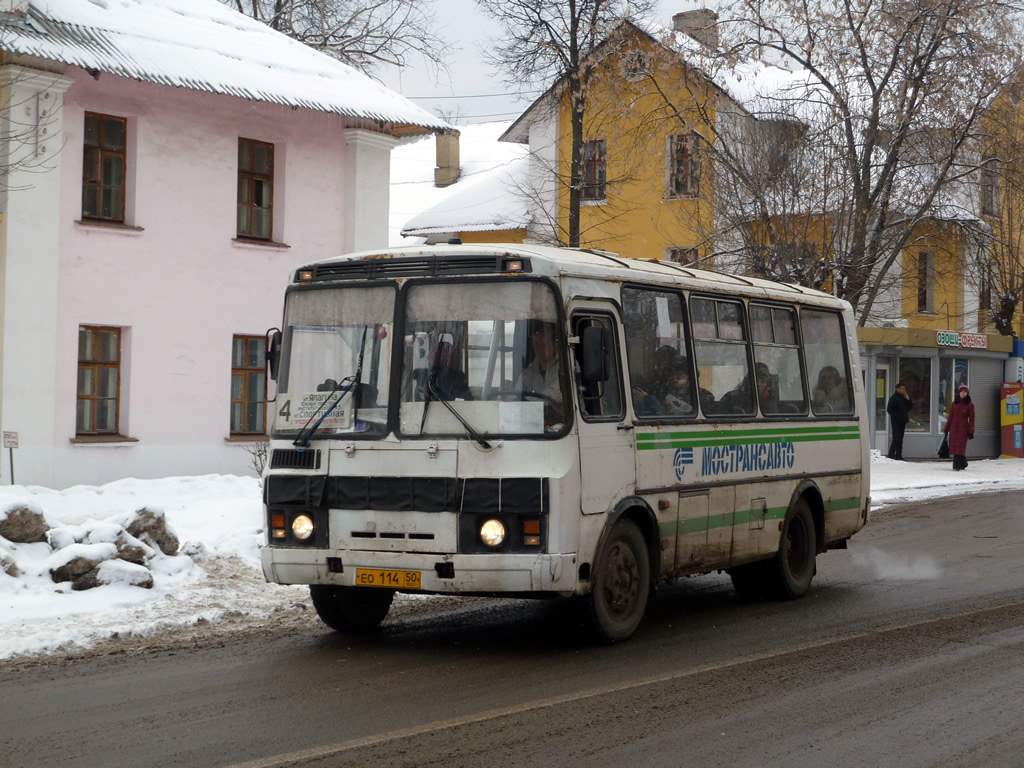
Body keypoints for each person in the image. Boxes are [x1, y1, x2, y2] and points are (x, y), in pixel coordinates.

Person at [518, 323, 564, 424]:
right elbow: (517, 394)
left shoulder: (566, 366)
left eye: (543, 343)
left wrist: (526, 402)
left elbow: (555, 395)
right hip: (536, 422)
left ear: (555, 345)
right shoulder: (528, 372)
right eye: (536, 343)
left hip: (566, 424)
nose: (539, 347)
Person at [942, 384, 975, 471]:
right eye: (962, 391)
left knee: (960, 447)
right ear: (959, 392)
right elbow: (950, 417)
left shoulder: (970, 405)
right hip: (954, 429)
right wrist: (946, 428)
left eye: (965, 392)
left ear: (967, 393)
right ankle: (963, 463)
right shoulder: (954, 404)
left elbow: (972, 419)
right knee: (955, 447)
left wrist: (971, 431)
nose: (963, 393)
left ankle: (956, 465)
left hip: (963, 429)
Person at [886, 382, 913, 460]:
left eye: (904, 388)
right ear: (897, 389)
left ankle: (898, 455)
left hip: (903, 421)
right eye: (902, 388)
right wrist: (897, 416)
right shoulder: (894, 398)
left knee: (900, 439)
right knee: (896, 438)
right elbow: (889, 409)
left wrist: (908, 399)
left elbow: (909, 408)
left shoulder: (904, 398)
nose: (904, 390)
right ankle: (891, 455)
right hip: (896, 421)